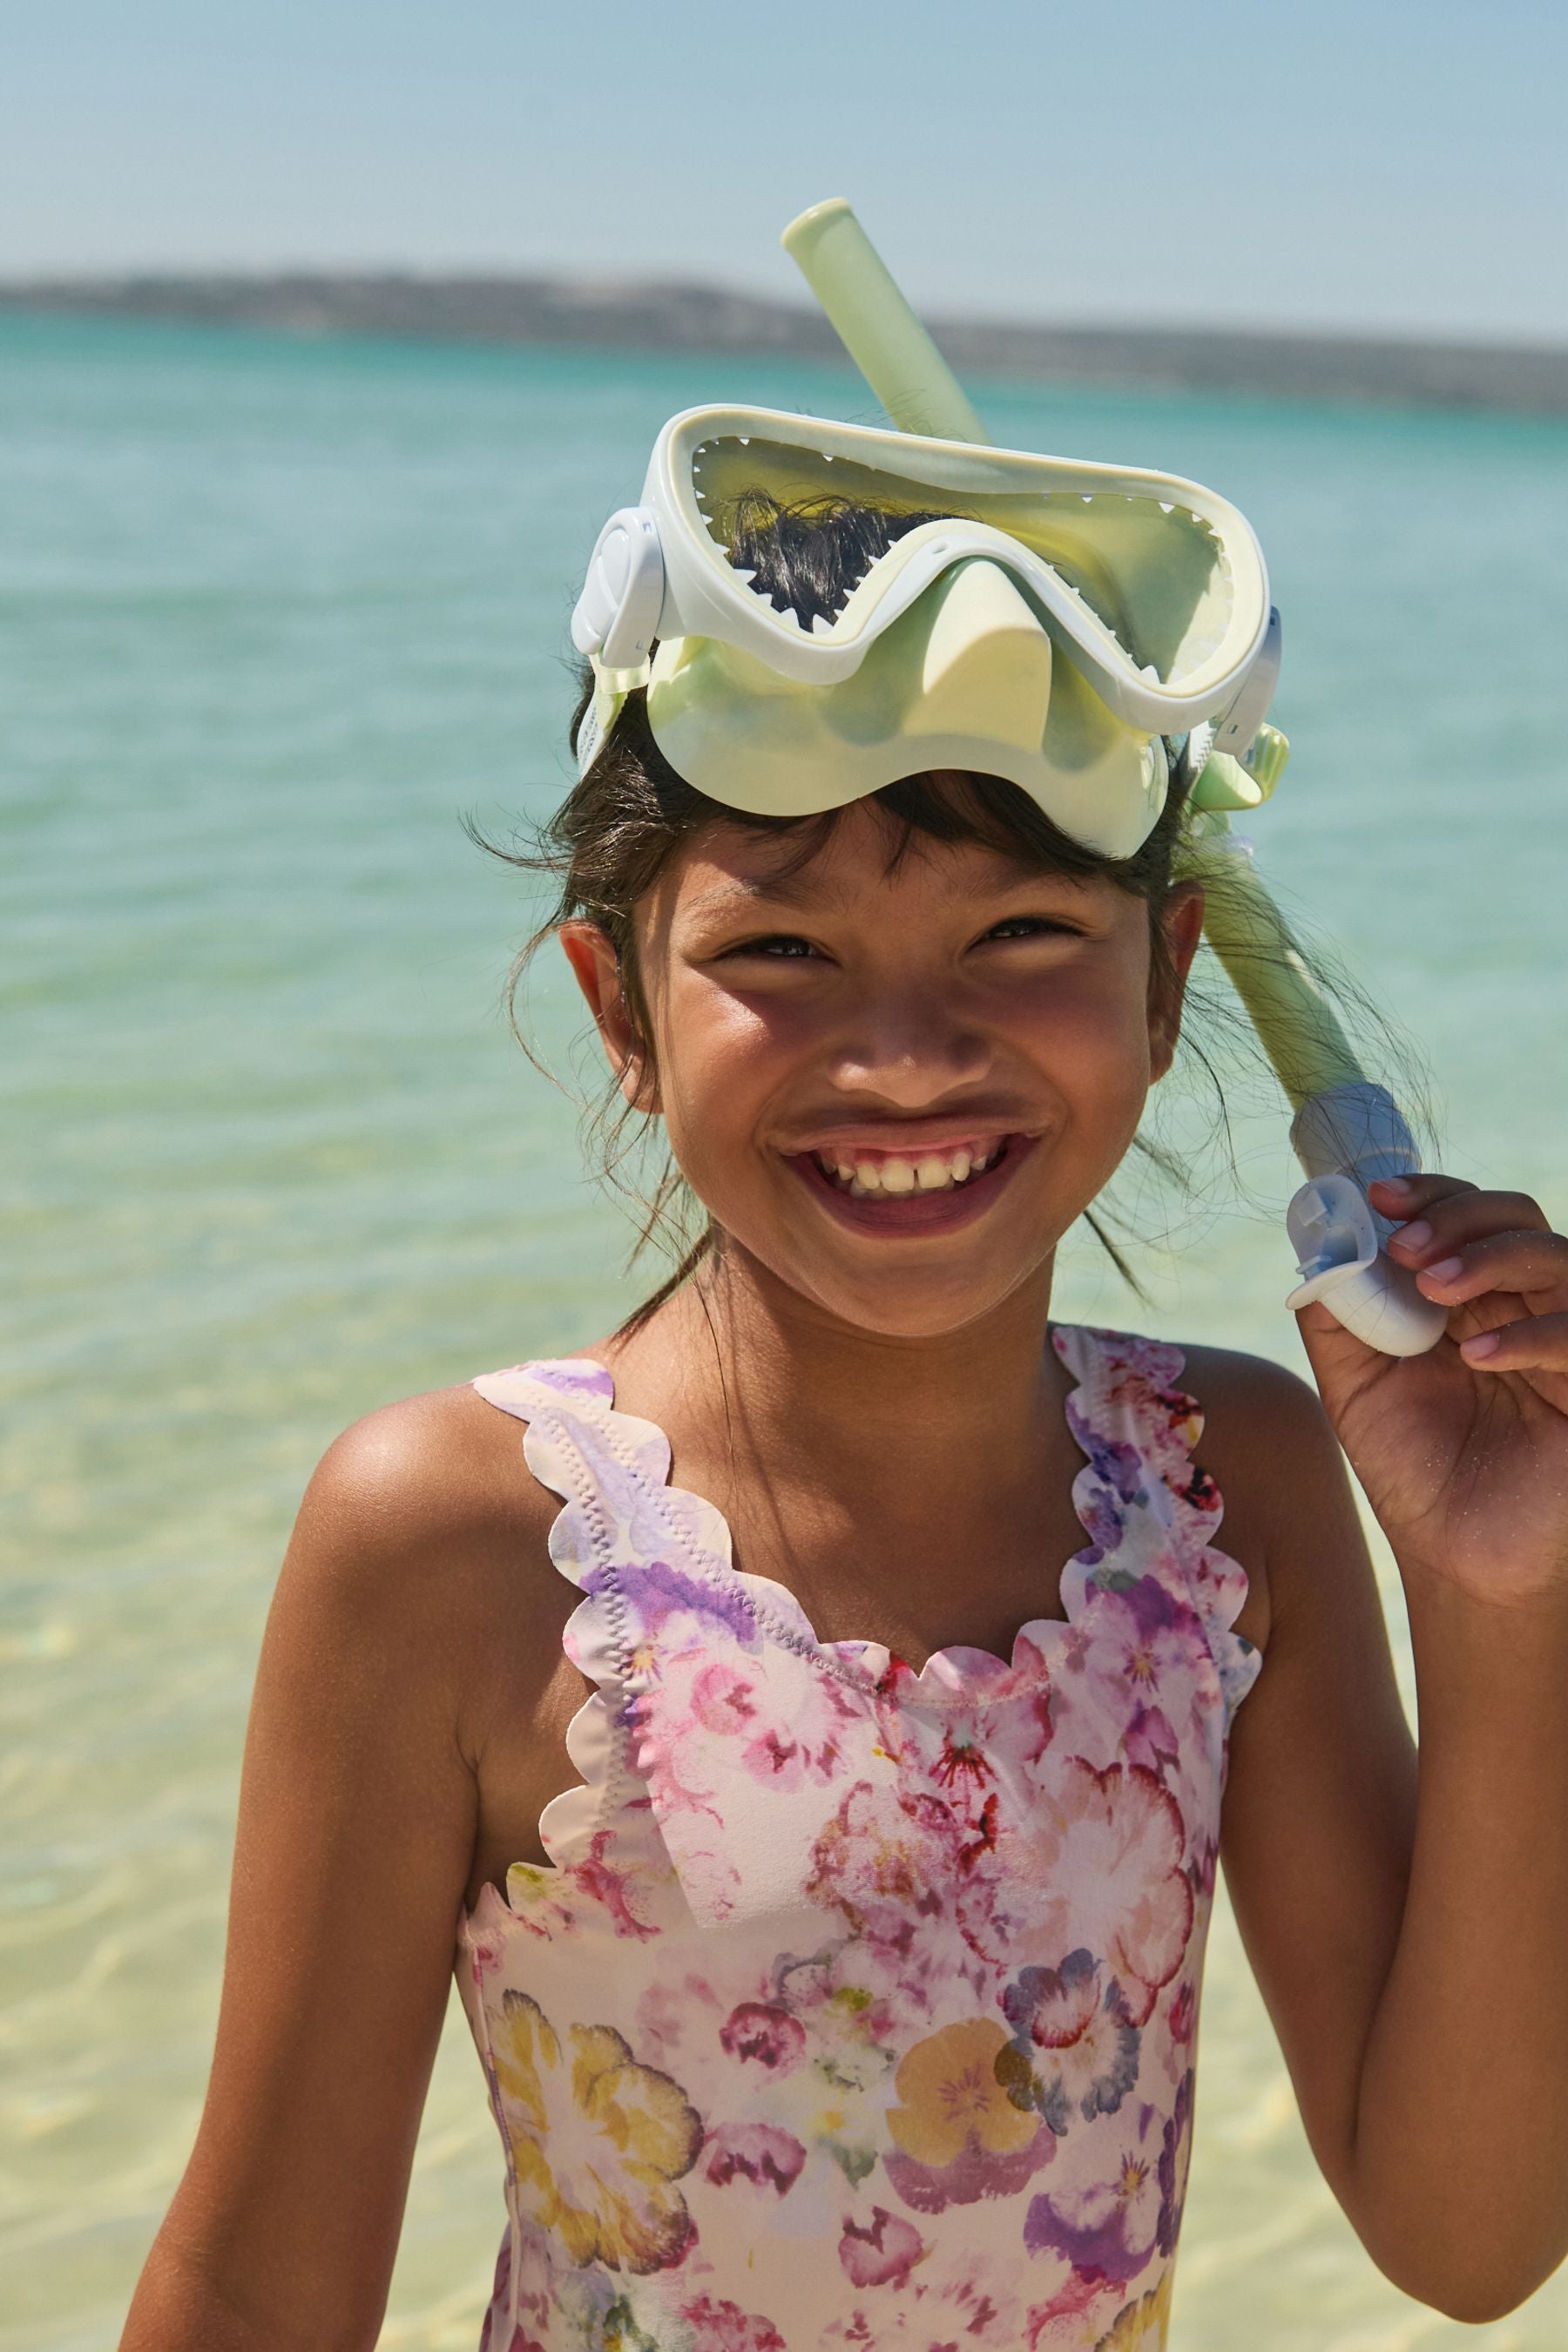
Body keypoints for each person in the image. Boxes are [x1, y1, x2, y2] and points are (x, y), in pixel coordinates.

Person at [121, 461, 1568, 2352]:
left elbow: (1468, 2241)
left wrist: (1504, 1596)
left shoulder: (1223, 1493)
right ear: (621, 1012)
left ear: (1169, 984)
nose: (905, 1055)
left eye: (1026, 934)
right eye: (782, 953)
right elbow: (254, 2287)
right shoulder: (469, 1538)